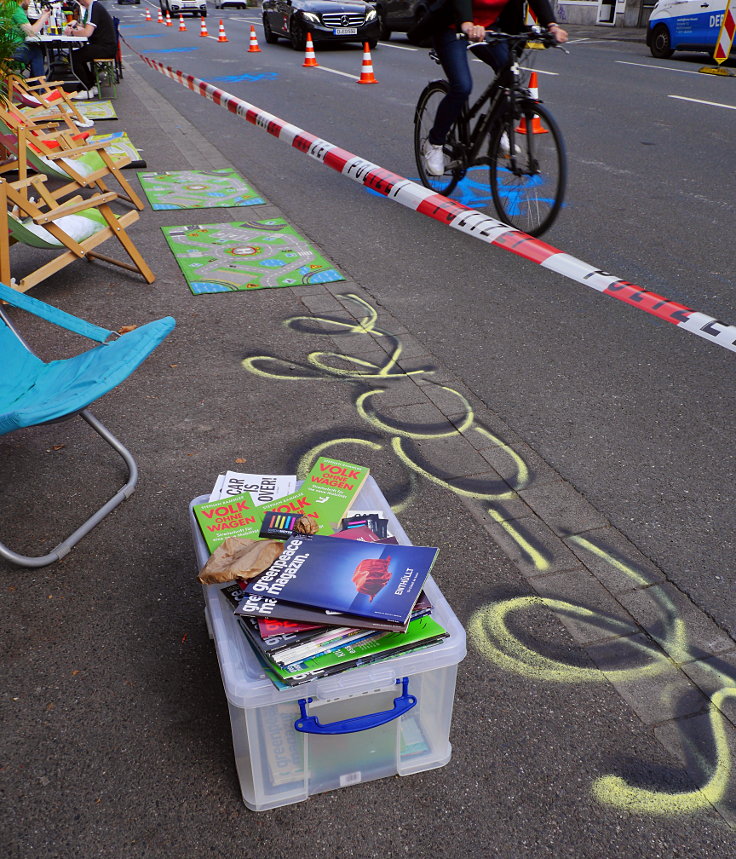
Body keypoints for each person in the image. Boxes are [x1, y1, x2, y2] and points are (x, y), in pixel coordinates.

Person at [420, 0, 568, 176]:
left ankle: (497, 132)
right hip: (452, 26)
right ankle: (434, 142)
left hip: (489, 28)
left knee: (509, 73)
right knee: (462, 87)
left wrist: (552, 26)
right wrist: (467, 24)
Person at [63, 0, 117, 98]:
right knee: (79, 55)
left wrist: (72, 32)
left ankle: (86, 89)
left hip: (104, 48)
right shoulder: (94, 7)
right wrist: (76, 25)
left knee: (74, 57)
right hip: (106, 47)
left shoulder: (94, 7)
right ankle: (91, 85)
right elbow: (86, 27)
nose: (80, 4)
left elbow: (87, 32)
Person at [9, 0, 52, 79]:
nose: (30, 2)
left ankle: (34, 83)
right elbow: (31, 32)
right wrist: (44, 17)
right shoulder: (15, 8)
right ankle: (39, 87)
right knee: (36, 51)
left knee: (36, 49)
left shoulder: (6, 5)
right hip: (12, 49)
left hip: (5, 47)